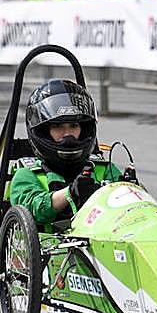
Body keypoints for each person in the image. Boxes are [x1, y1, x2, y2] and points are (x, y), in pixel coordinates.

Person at [8, 79, 132, 232]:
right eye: (58, 126)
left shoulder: (104, 169)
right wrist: (70, 193)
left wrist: (130, 188)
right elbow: (35, 209)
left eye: (74, 126)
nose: (68, 134)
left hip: (107, 239)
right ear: (44, 131)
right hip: (50, 244)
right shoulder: (27, 174)